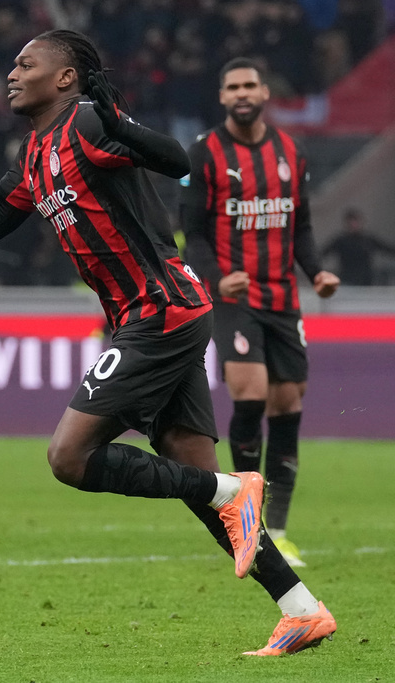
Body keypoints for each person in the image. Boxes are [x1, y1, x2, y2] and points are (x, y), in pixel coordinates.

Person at [0, 30, 335, 656]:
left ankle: (234, 489)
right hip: (153, 316)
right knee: (195, 479)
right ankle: (300, 608)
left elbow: (176, 160)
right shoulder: (34, 152)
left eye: (26, 64)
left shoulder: (88, 121)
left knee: (69, 457)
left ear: (65, 78)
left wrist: (121, 125)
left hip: (159, 311)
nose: (12, 74)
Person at [182, 58, 341, 569]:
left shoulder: (291, 151)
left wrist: (317, 272)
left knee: (288, 403)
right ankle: (251, 524)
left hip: (283, 299)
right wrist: (214, 278)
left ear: (265, 92)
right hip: (235, 298)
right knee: (249, 393)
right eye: (233, 87)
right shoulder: (205, 154)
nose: (242, 93)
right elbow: (194, 234)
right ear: (222, 96)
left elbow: (302, 226)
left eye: (250, 85)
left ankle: (282, 529)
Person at [321, 208, 395, 286]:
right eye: (351, 222)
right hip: (347, 279)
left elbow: (387, 249)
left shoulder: (368, 240)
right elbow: (324, 253)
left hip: (366, 280)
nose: (354, 224)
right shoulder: (341, 241)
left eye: (356, 221)